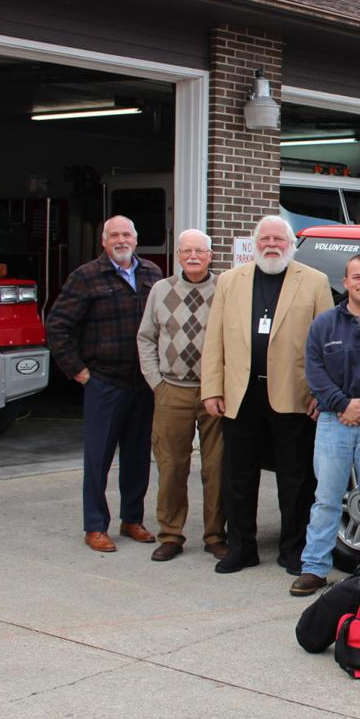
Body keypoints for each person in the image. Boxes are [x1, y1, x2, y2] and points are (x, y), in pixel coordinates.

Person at [201, 215, 333, 575]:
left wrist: (321, 393)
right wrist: (211, 388)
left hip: (294, 396)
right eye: (265, 239)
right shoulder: (230, 281)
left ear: (290, 245)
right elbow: (214, 340)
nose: (271, 245)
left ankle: (293, 549)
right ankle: (241, 548)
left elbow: (326, 345)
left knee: (296, 479)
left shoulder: (315, 282)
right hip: (240, 395)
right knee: (238, 476)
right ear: (255, 243)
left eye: (279, 239)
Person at [46, 215, 164, 552]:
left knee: (138, 456)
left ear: (136, 240)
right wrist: (79, 372)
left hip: (142, 383)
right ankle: (96, 526)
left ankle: (132, 519)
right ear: (103, 240)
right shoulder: (85, 277)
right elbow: (58, 326)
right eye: (114, 235)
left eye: (127, 234)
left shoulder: (152, 275)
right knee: (98, 458)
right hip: (105, 382)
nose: (121, 240)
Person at [292, 254, 360, 597]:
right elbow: (314, 371)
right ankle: (314, 568)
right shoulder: (324, 324)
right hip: (332, 422)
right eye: (357, 277)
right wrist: (342, 404)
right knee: (326, 497)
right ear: (346, 281)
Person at [136, 229, 227, 562]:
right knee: (171, 466)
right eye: (186, 250)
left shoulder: (225, 288)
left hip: (214, 393)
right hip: (171, 389)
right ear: (177, 255)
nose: (193, 256)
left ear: (210, 255)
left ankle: (216, 535)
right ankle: (171, 535)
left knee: (216, 468)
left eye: (199, 251)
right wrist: (155, 382)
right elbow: (146, 337)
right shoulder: (161, 290)